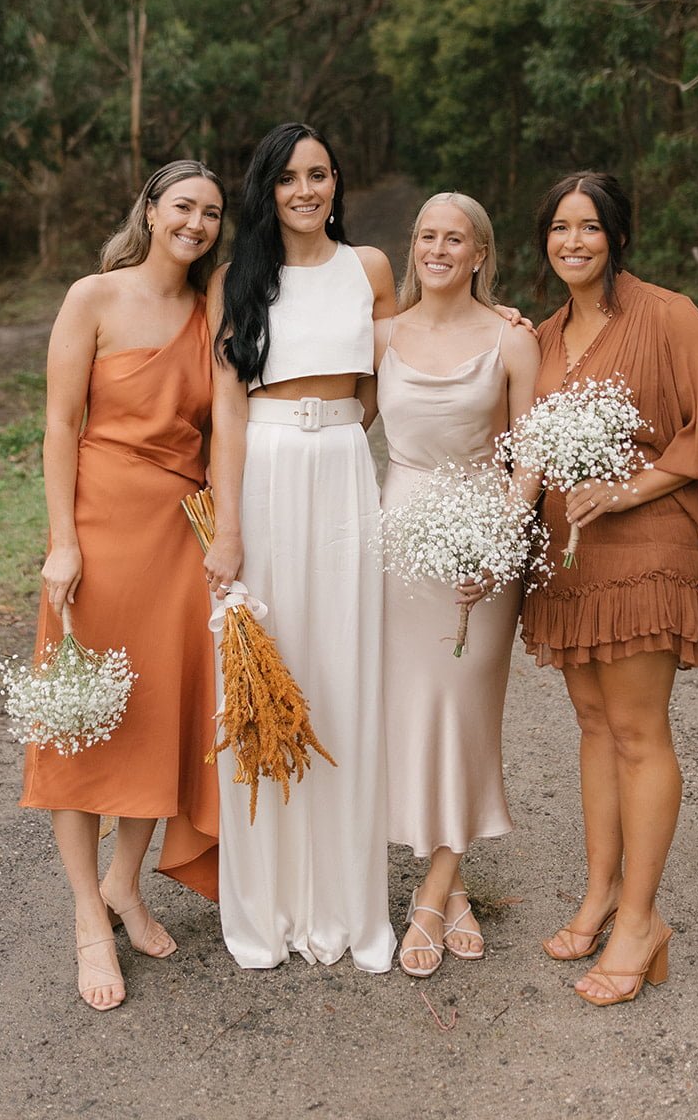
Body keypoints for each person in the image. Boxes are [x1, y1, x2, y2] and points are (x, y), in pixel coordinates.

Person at [521, 172, 698, 1005]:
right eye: (559, 227)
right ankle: (599, 896)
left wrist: (625, 491)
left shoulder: (669, 316)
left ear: (617, 238)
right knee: (592, 726)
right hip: (569, 554)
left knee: (636, 731)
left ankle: (640, 921)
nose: (573, 241)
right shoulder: (543, 336)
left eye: (589, 227)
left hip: (645, 546)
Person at [21, 161, 226, 1011]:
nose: (196, 223)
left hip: (177, 538)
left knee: (153, 717)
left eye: (211, 213)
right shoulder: (93, 298)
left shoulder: (212, 309)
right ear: (150, 209)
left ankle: (125, 885)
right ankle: (85, 918)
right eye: (183, 206)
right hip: (98, 531)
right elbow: (59, 423)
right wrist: (63, 543)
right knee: (80, 720)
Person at [203, 122, 397, 971]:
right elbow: (226, 409)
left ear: (336, 183)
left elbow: (399, 369)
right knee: (265, 669)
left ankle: (348, 908)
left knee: (343, 671)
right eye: (288, 178)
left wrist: (344, 429)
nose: (305, 191)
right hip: (266, 470)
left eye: (319, 174)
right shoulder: (236, 279)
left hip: (343, 467)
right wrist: (229, 527)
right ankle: (267, 909)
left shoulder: (370, 269)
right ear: (267, 190)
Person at [375, 193, 541, 977]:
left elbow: (528, 458)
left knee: (465, 708)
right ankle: (456, 886)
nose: (437, 249)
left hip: (482, 538)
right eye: (426, 236)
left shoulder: (511, 338)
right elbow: (331, 419)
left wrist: (499, 546)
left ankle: (431, 896)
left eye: (454, 239)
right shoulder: (381, 335)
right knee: (415, 711)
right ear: (412, 247)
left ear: (479, 254)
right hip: (399, 539)